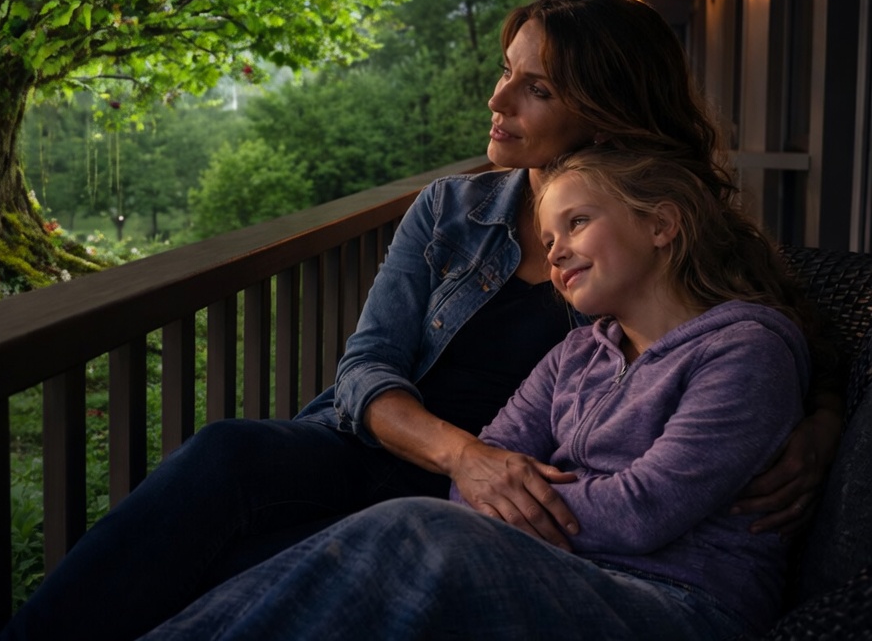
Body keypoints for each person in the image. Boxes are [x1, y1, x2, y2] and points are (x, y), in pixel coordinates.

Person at [0, 0, 844, 640]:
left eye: (535, 87)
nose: (498, 99)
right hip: (414, 456)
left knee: (273, 568)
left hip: (524, 513)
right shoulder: (452, 209)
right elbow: (365, 371)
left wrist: (818, 426)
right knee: (228, 454)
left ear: (608, 109)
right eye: (506, 70)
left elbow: (794, 337)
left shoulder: (666, 242)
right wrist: (466, 459)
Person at [141, 146, 811, 640]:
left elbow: (643, 509)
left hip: (682, 604)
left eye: (577, 224)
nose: (555, 254)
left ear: (662, 225)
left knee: (416, 528)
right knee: (393, 526)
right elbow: (481, 473)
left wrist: (522, 494)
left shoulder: (743, 350)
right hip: (570, 573)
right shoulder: (579, 351)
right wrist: (506, 486)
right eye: (548, 238)